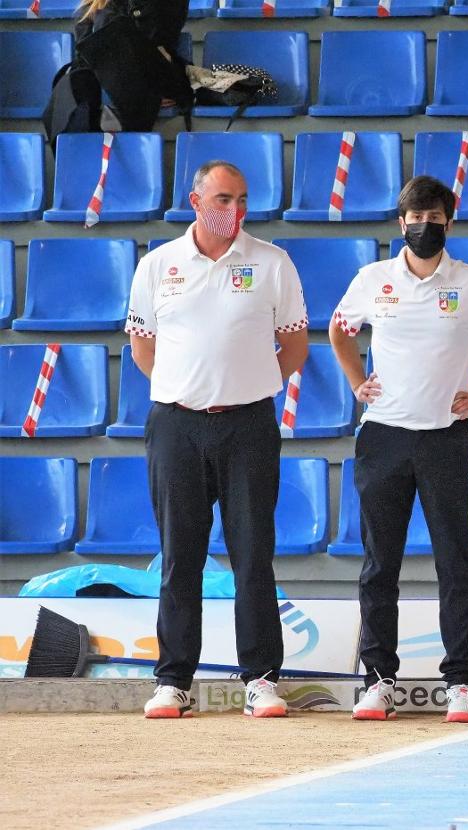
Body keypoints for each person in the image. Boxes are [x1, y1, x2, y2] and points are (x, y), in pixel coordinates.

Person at [329, 175, 468, 724]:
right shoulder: (373, 279)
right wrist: (357, 380)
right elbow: (338, 328)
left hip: (447, 439)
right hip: (384, 437)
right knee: (379, 565)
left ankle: (460, 682)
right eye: (414, 218)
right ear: (401, 223)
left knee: (455, 565)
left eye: (434, 218)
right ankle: (377, 679)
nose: (424, 227)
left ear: (449, 221)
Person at [125, 160, 309, 719]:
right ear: (195, 198)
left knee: (254, 553)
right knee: (181, 554)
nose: (234, 210)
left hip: (248, 424)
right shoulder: (158, 266)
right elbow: (141, 347)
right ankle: (174, 680)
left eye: (242, 200)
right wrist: (186, 389)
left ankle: (261, 678)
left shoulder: (273, 263)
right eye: (223, 199)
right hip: (176, 425)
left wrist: (248, 385)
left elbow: (295, 345)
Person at [57, 0, 192, 136]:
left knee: (118, 33)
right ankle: (76, 146)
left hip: (152, 71)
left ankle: (119, 124)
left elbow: (158, 36)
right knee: (74, 81)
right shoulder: (94, 6)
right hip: (109, 78)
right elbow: (85, 50)